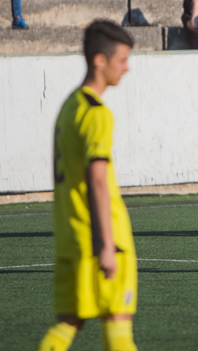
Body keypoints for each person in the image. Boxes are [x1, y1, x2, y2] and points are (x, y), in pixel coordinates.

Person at [36, 20, 139, 351]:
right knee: (118, 327)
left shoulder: (70, 107)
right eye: (122, 60)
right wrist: (106, 244)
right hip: (104, 238)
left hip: (70, 239)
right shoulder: (97, 114)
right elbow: (97, 179)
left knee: (68, 323)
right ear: (100, 60)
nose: (126, 68)